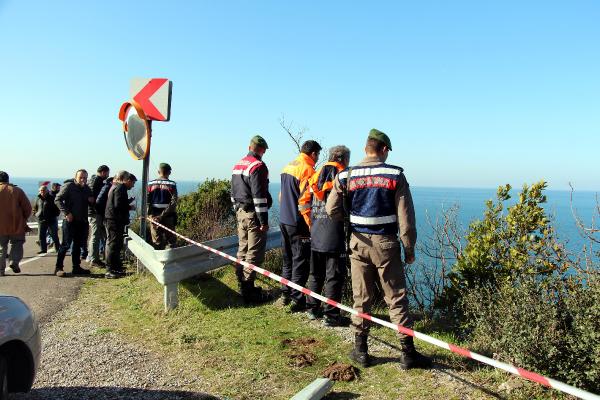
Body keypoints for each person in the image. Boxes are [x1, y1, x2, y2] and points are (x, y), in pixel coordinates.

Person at [326, 129, 432, 370]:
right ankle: (408, 353)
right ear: (383, 149)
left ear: (366, 148)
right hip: (386, 244)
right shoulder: (395, 175)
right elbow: (406, 218)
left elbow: (332, 209)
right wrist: (409, 247)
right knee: (396, 298)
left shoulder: (346, 175)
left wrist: (350, 221)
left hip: (357, 242)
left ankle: (361, 351)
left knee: (361, 298)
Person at [305, 146, 351, 327]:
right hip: (335, 234)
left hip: (316, 232)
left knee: (315, 273)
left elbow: (304, 202)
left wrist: (311, 224)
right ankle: (331, 316)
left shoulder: (315, 175)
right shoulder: (343, 175)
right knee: (334, 276)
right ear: (344, 159)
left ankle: (311, 309)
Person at [279, 140, 322, 311]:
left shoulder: (288, 166)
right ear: (313, 154)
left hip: (284, 219)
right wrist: (311, 224)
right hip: (298, 222)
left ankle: (284, 293)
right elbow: (306, 201)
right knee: (300, 261)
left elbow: (282, 195)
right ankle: (297, 299)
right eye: (317, 155)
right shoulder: (308, 170)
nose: (317, 159)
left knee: (287, 259)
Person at [231, 135, 273, 303]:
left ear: (250, 147)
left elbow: (232, 191)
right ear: (262, 149)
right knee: (254, 253)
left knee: (242, 249)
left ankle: (241, 282)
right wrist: (263, 221)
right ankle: (248, 290)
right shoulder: (258, 166)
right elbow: (259, 196)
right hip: (253, 215)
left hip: (241, 212)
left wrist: (236, 209)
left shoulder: (238, 164)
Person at [54, 170, 94, 277]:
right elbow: (57, 200)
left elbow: (91, 199)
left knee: (77, 245)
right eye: (81, 177)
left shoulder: (86, 188)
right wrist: (67, 213)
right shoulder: (69, 186)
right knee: (66, 244)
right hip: (70, 221)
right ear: (75, 177)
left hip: (82, 221)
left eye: (85, 178)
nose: (83, 180)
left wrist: (91, 200)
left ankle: (76, 267)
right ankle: (58, 267)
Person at [105, 171, 137, 279]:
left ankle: (115, 267)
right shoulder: (120, 188)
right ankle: (110, 269)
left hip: (114, 218)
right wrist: (130, 207)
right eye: (132, 183)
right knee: (113, 244)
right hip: (114, 219)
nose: (132, 186)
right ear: (127, 180)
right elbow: (118, 205)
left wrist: (127, 202)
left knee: (117, 244)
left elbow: (118, 203)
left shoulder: (117, 187)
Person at [0, 171, 32, 276]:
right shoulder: (17, 190)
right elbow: (27, 208)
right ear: (7, 179)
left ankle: (0, 270)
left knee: (1, 247)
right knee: (17, 243)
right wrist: (23, 219)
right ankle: (14, 262)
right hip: (16, 224)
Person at [147, 163, 178, 249]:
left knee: (156, 241)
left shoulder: (150, 184)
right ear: (169, 172)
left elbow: (147, 201)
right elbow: (173, 202)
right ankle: (172, 261)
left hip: (154, 216)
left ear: (158, 171)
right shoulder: (172, 184)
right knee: (171, 241)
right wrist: (162, 215)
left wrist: (151, 215)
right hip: (168, 216)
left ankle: (157, 261)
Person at [87, 165, 110, 266]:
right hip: (95, 212)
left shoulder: (92, 180)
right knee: (95, 236)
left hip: (92, 211)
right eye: (107, 173)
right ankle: (94, 259)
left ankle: (93, 257)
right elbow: (93, 197)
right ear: (103, 172)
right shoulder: (97, 181)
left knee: (95, 235)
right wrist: (96, 208)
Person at [32, 185, 61, 254]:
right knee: (41, 236)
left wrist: (54, 215)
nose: (42, 192)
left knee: (54, 235)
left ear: (47, 191)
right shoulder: (38, 198)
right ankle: (43, 249)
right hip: (41, 220)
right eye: (41, 191)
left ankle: (58, 249)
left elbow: (57, 208)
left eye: (44, 190)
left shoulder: (52, 198)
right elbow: (35, 208)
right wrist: (36, 214)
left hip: (51, 220)